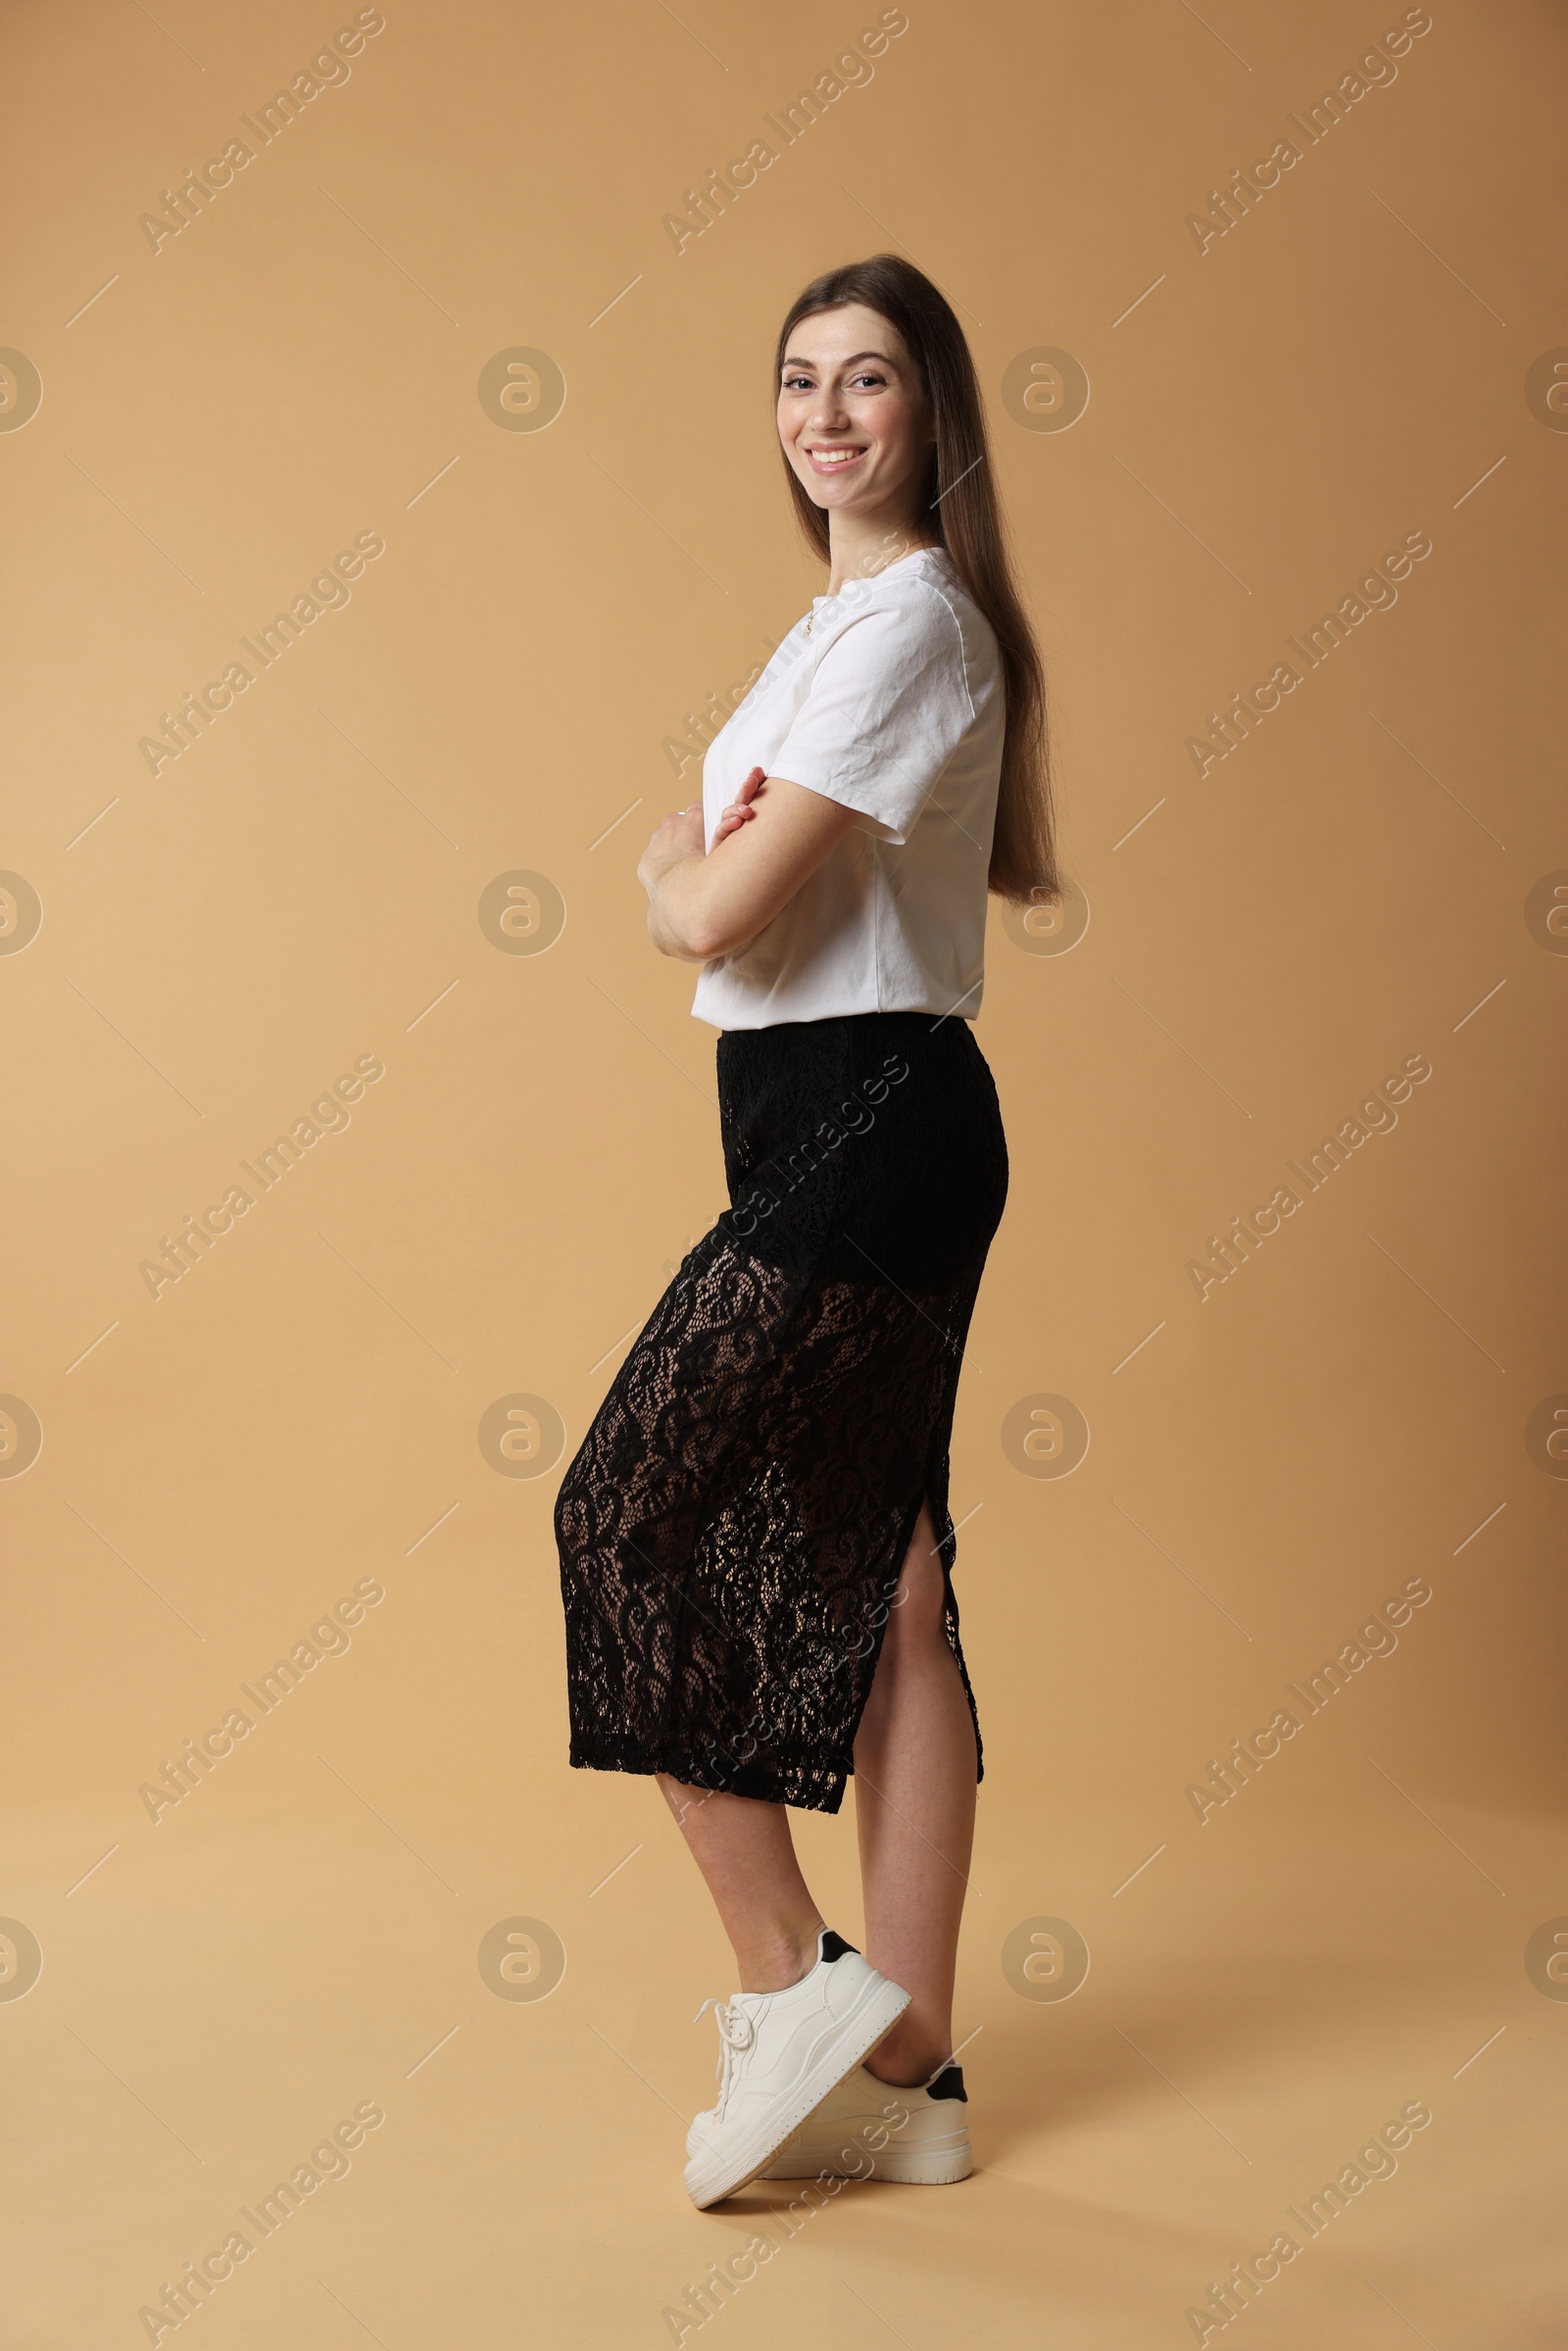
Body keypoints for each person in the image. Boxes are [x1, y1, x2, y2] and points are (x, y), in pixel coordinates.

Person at [554, 253, 1057, 2208]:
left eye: (866, 381)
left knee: (620, 1510)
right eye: (796, 381)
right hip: (823, 1116)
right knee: (894, 1586)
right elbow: (723, 890)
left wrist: (677, 864)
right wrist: (696, 869)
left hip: (868, 1118)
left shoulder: (909, 624)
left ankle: (797, 1986)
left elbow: (708, 908)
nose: (827, 414)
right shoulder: (832, 623)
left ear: (931, 414)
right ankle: (910, 2075)